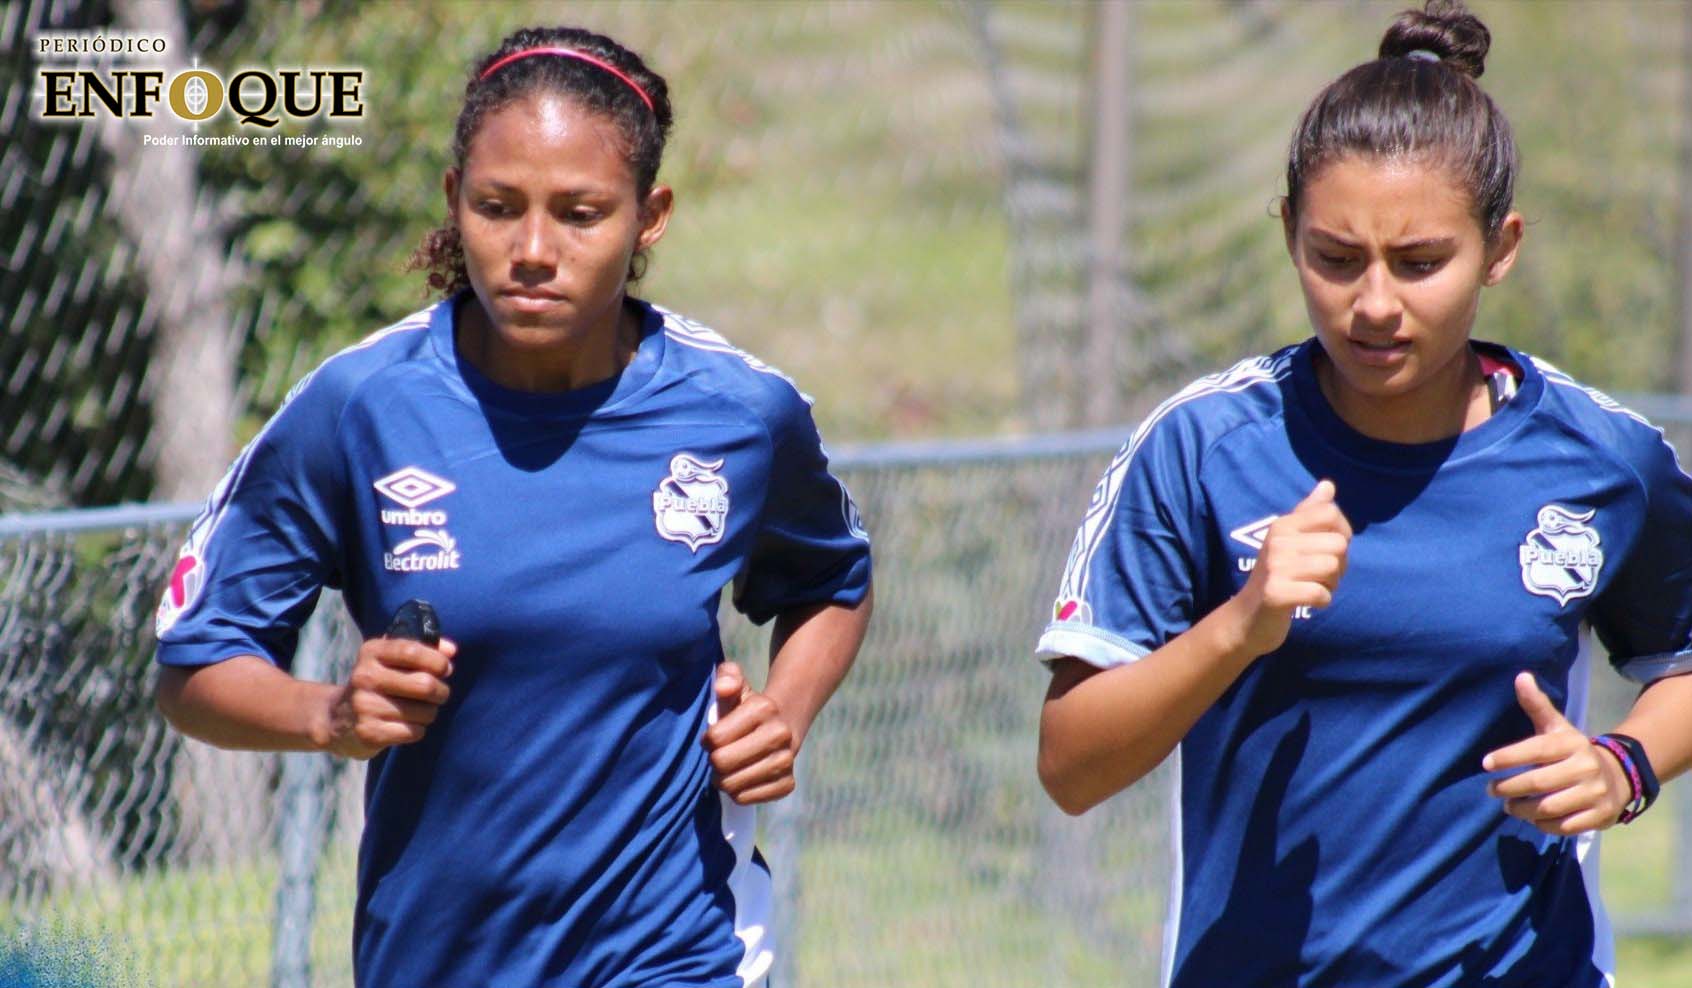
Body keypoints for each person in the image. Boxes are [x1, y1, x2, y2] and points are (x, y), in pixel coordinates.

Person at [153, 25, 872, 988]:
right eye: (498, 208)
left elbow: (833, 580)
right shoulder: (361, 407)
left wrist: (781, 713)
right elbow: (196, 663)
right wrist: (330, 713)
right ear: (454, 201)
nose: (533, 250)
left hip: (682, 953)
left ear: (649, 217)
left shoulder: (738, 414)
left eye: (580, 214)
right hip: (436, 960)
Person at [1034, 3, 1692, 985]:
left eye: (1421, 263)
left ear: (1500, 247)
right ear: (1289, 234)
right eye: (1335, 258)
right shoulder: (1203, 447)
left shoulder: (1602, 458)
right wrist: (1241, 624)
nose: (1374, 303)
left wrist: (1623, 766)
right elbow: (1071, 769)